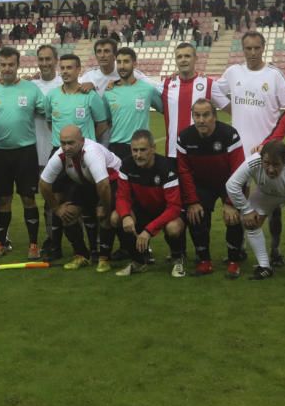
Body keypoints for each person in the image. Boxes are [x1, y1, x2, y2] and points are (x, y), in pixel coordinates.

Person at [215, 30, 285, 267]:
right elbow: (215, 92)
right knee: (241, 199)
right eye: (247, 48)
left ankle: (276, 249)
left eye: (256, 48)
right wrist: (232, 109)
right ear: (243, 49)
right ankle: (238, 247)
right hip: (239, 149)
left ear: (263, 48)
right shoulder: (233, 72)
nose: (252, 53)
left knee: (274, 204)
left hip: (267, 150)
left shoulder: (274, 75)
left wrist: (275, 137)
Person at [0, 46, 48, 260]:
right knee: (3, 200)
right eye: (3, 65)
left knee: (29, 198)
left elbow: (49, 111)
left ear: (18, 65)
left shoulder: (31, 89)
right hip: (0, 153)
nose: (7, 69)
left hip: (26, 153)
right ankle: (1, 243)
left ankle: (33, 244)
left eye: (11, 64)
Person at [175, 99, 246, 278]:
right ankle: (204, 261)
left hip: (229, 183)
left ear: (214, 116)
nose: (201, 120)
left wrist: (230, 202)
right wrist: (192, 201)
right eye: (197, 115)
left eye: (206, 115)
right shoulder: (184, 137)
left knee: (233, 217)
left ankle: (233, 261)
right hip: (202, 184)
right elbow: (184, 172)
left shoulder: (230, 134)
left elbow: (238, 170)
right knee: (195, 215)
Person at [226, 140, 285, 282]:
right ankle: (264, 267)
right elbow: (231, 184)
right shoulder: (253, 161)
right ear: (261, 159)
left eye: (276, 164)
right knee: (250, 222)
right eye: (267, 163)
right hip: (266, 193)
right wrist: (246, 210)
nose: (271, 169)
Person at [37, 126, 121, 271]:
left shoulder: (91, 152)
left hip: (114, 182)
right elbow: (44, 184)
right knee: (67, 213)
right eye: (63, 143)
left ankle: (104, 258)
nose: (66, 147)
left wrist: (106, 210)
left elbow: (104, 185)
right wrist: (57, 209)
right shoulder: (60, 155)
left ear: (81, 141)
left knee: (103, 214)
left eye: (70, 143)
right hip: (88, 183)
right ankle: (81, 255)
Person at [112, 130, 185, 276]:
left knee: (173, 227)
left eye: (143, 150)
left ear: (153, 149)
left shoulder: (166, 167)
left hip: (166, 211)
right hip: (143, 209)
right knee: (116, 217)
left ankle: (178, 259)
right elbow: (122, 197)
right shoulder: (126, 164)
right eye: (135, 150)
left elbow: (174, 207)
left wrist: (148, 230)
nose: (138, 155)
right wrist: (126, 215)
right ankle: (139, 261)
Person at [158, 42, 227, 159]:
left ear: (196, 58)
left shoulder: (208, 84)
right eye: (179, 57)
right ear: (175, 60)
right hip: (173, 154)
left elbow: (233, 109)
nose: (183, 60)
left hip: (202, 153)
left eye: (187, 56)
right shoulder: (165, 85)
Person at [102, 47, 162, 162]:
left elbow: (165, 109)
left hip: (141, 147)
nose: (122, 66)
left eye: (126, 61)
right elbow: (105, 122)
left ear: (134, 64)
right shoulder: (109, 91)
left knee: (141, 180)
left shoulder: (148, 90)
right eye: (119, 62)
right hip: (116, 147)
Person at [32, 44, 63, 258]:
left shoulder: (66, 83)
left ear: (56, 60)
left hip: (62, 152)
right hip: (37, 151)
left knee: (68, 198)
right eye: (41, 59)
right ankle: (52, 240)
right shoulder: (30, 85)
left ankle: (77, 241)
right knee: (48, 199)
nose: (44, 63)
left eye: (48, 59)